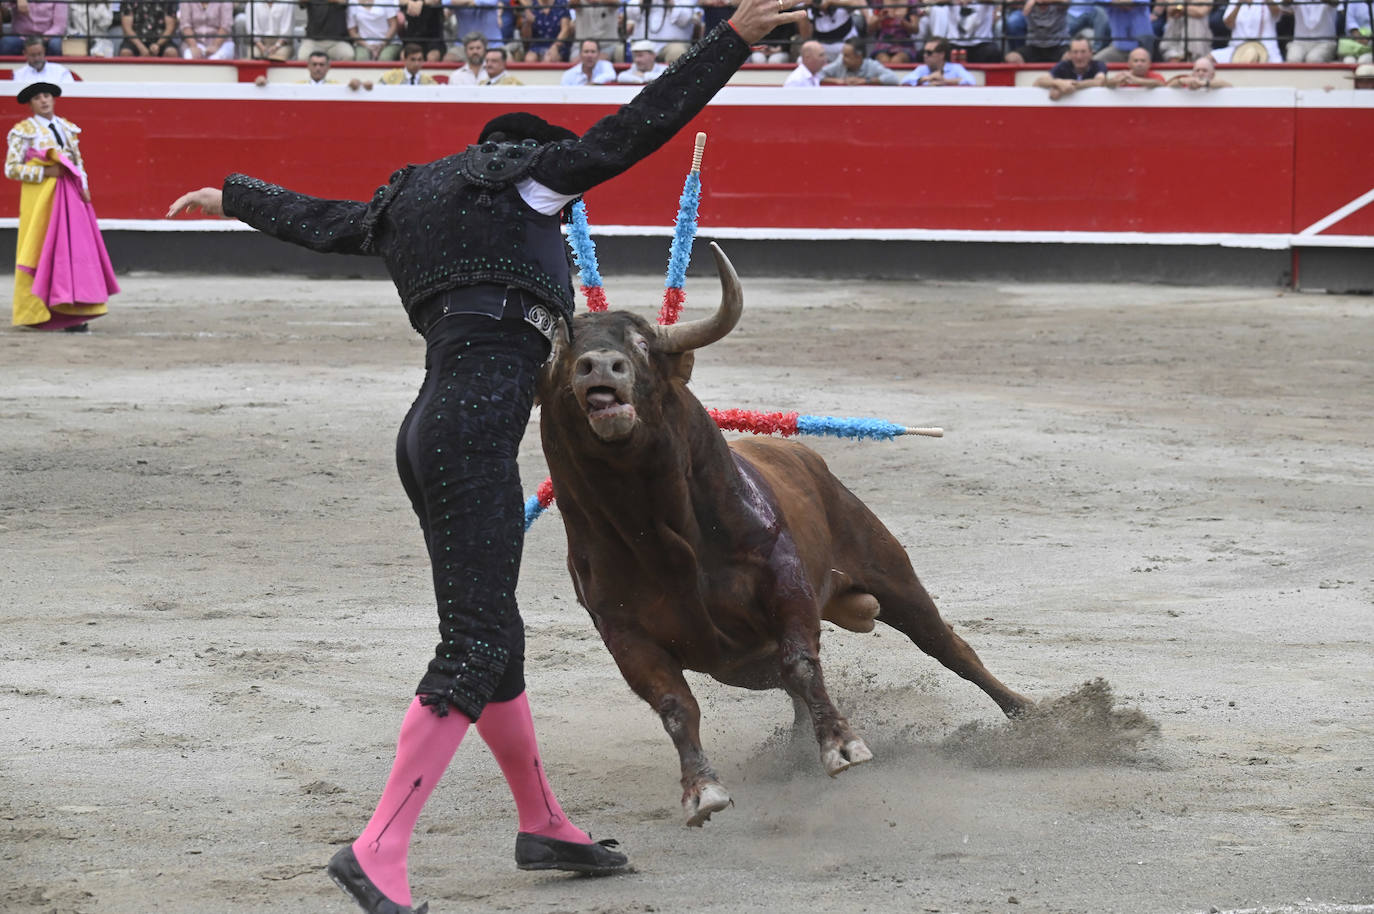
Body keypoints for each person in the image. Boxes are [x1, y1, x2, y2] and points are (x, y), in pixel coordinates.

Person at [164, 2, 806, 912]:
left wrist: (233, 196)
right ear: (528, 157)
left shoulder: (407, 206)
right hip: (471, 437)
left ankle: (543, 822)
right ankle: (377, 850)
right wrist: (733, 41)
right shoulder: (531, 182)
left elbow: (322, 219)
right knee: (472, 644)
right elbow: (641, 126)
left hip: (428, 433)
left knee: (494, 633)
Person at [7, 83, 118, 332]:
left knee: (71, 253)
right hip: (40, 204)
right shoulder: (23, 131)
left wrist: (84, 186)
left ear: (53, 99)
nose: (44, 100)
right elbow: (11, 169)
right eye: (38, 98)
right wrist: (46, 171)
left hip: (70, 200)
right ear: (31, 104)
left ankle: (74, 312)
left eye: (47, 96)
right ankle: (39, 312)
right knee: (42, 251)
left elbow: (78, 163)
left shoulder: (67, 128)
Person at [625, 0, 699, 64]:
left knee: (677, 52)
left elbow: (684, 19)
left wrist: (669, 1)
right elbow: (630, 14)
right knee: (621, 51)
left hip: (671, 44)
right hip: (643, 43)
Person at [1035, 35, 1107, 96]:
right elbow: (1039, 82)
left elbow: (1100, 81)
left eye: (1083, 52)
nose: (1079, 56)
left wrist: (1070, 86)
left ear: (1091, 53)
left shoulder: (1098, 65)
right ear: (1069, 54)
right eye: (1075, 52)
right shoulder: (1063, 66)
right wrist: (1059, 83)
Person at [1215, 0, 1283, 63]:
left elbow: (1277, 13)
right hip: (1238, 48)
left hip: (1267, 48)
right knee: (1209, 59)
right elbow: (1228, 24)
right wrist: (1239, 4)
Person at [1004, 0, 1069, 64]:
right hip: (1034, 46)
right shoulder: (1028, 3)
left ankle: (1059, 73)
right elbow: (1008, 1)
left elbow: (1065, 1)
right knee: (1011, 58)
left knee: (1069, 58)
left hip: (1058, 46)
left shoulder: (1058, 4)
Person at [0, 1, 67, 56]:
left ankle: (54, 70)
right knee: (6, 43)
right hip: (21, 37)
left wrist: (41, 39)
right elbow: (5, 5)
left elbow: (59, 27)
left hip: (47, 37)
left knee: (55, 44)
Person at [820, 37, 901, 82]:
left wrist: (866, 81)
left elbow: (893, 78)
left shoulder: (871, 65)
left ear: (859, 56)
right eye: (843, 55)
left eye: (847, 56)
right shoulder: (840, 62)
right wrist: (837, 81)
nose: (843, 58)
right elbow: (817, 75)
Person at [900, 36, 976, 83]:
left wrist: (945, 81)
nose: (925, 55)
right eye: (924, 52)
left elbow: (971, 81)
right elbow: (905, 81)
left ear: (941, 54)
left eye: (929, 53)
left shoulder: (956, 68)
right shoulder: (922, 69)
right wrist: (926, 79)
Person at [1166, 52, 1233, 85]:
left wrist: (1206, 84)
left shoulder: (1218, 85)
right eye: (1197, 70)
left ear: (1213, 74)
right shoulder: (1186, 82)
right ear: (1192, 73)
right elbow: (1167, 86)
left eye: (1205, 70)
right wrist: (1182, 81)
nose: (1200, 73)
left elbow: (1229, 86)